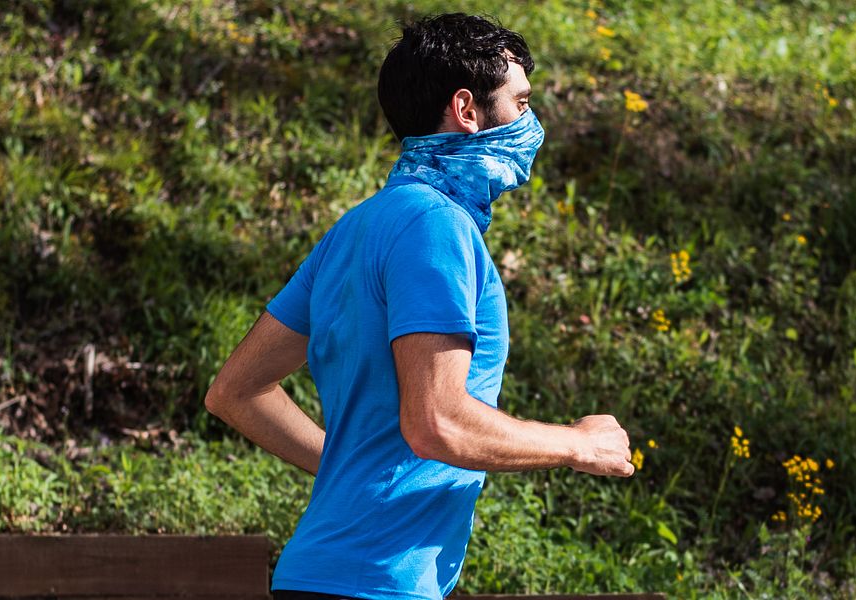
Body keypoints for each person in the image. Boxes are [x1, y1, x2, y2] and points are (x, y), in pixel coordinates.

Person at [204, 13, 635, 600]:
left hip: (324, 576)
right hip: (376, 585)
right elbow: (437, 422)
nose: (531, 124)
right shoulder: (437, 225)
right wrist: (576, 443)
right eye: (521, 102)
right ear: (466, 109)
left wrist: (350, 471)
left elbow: (234, 390)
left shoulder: (356, 227)